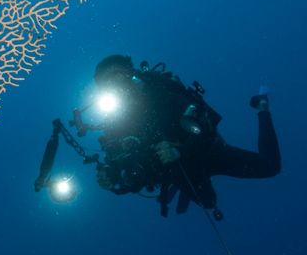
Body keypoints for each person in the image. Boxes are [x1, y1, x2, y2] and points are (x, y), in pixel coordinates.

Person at [88, 54, 281, 218]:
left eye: (117, 76)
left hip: (207, 152)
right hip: (178, 172)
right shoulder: (116, 122)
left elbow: (205, 126)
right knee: (208, 202)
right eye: (107, 84)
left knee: (270, 166)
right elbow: (124, 166)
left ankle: (262, 108)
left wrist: (180, 151)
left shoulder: (161, 94)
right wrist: (112, 177)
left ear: (131, 74)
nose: (115, 85)